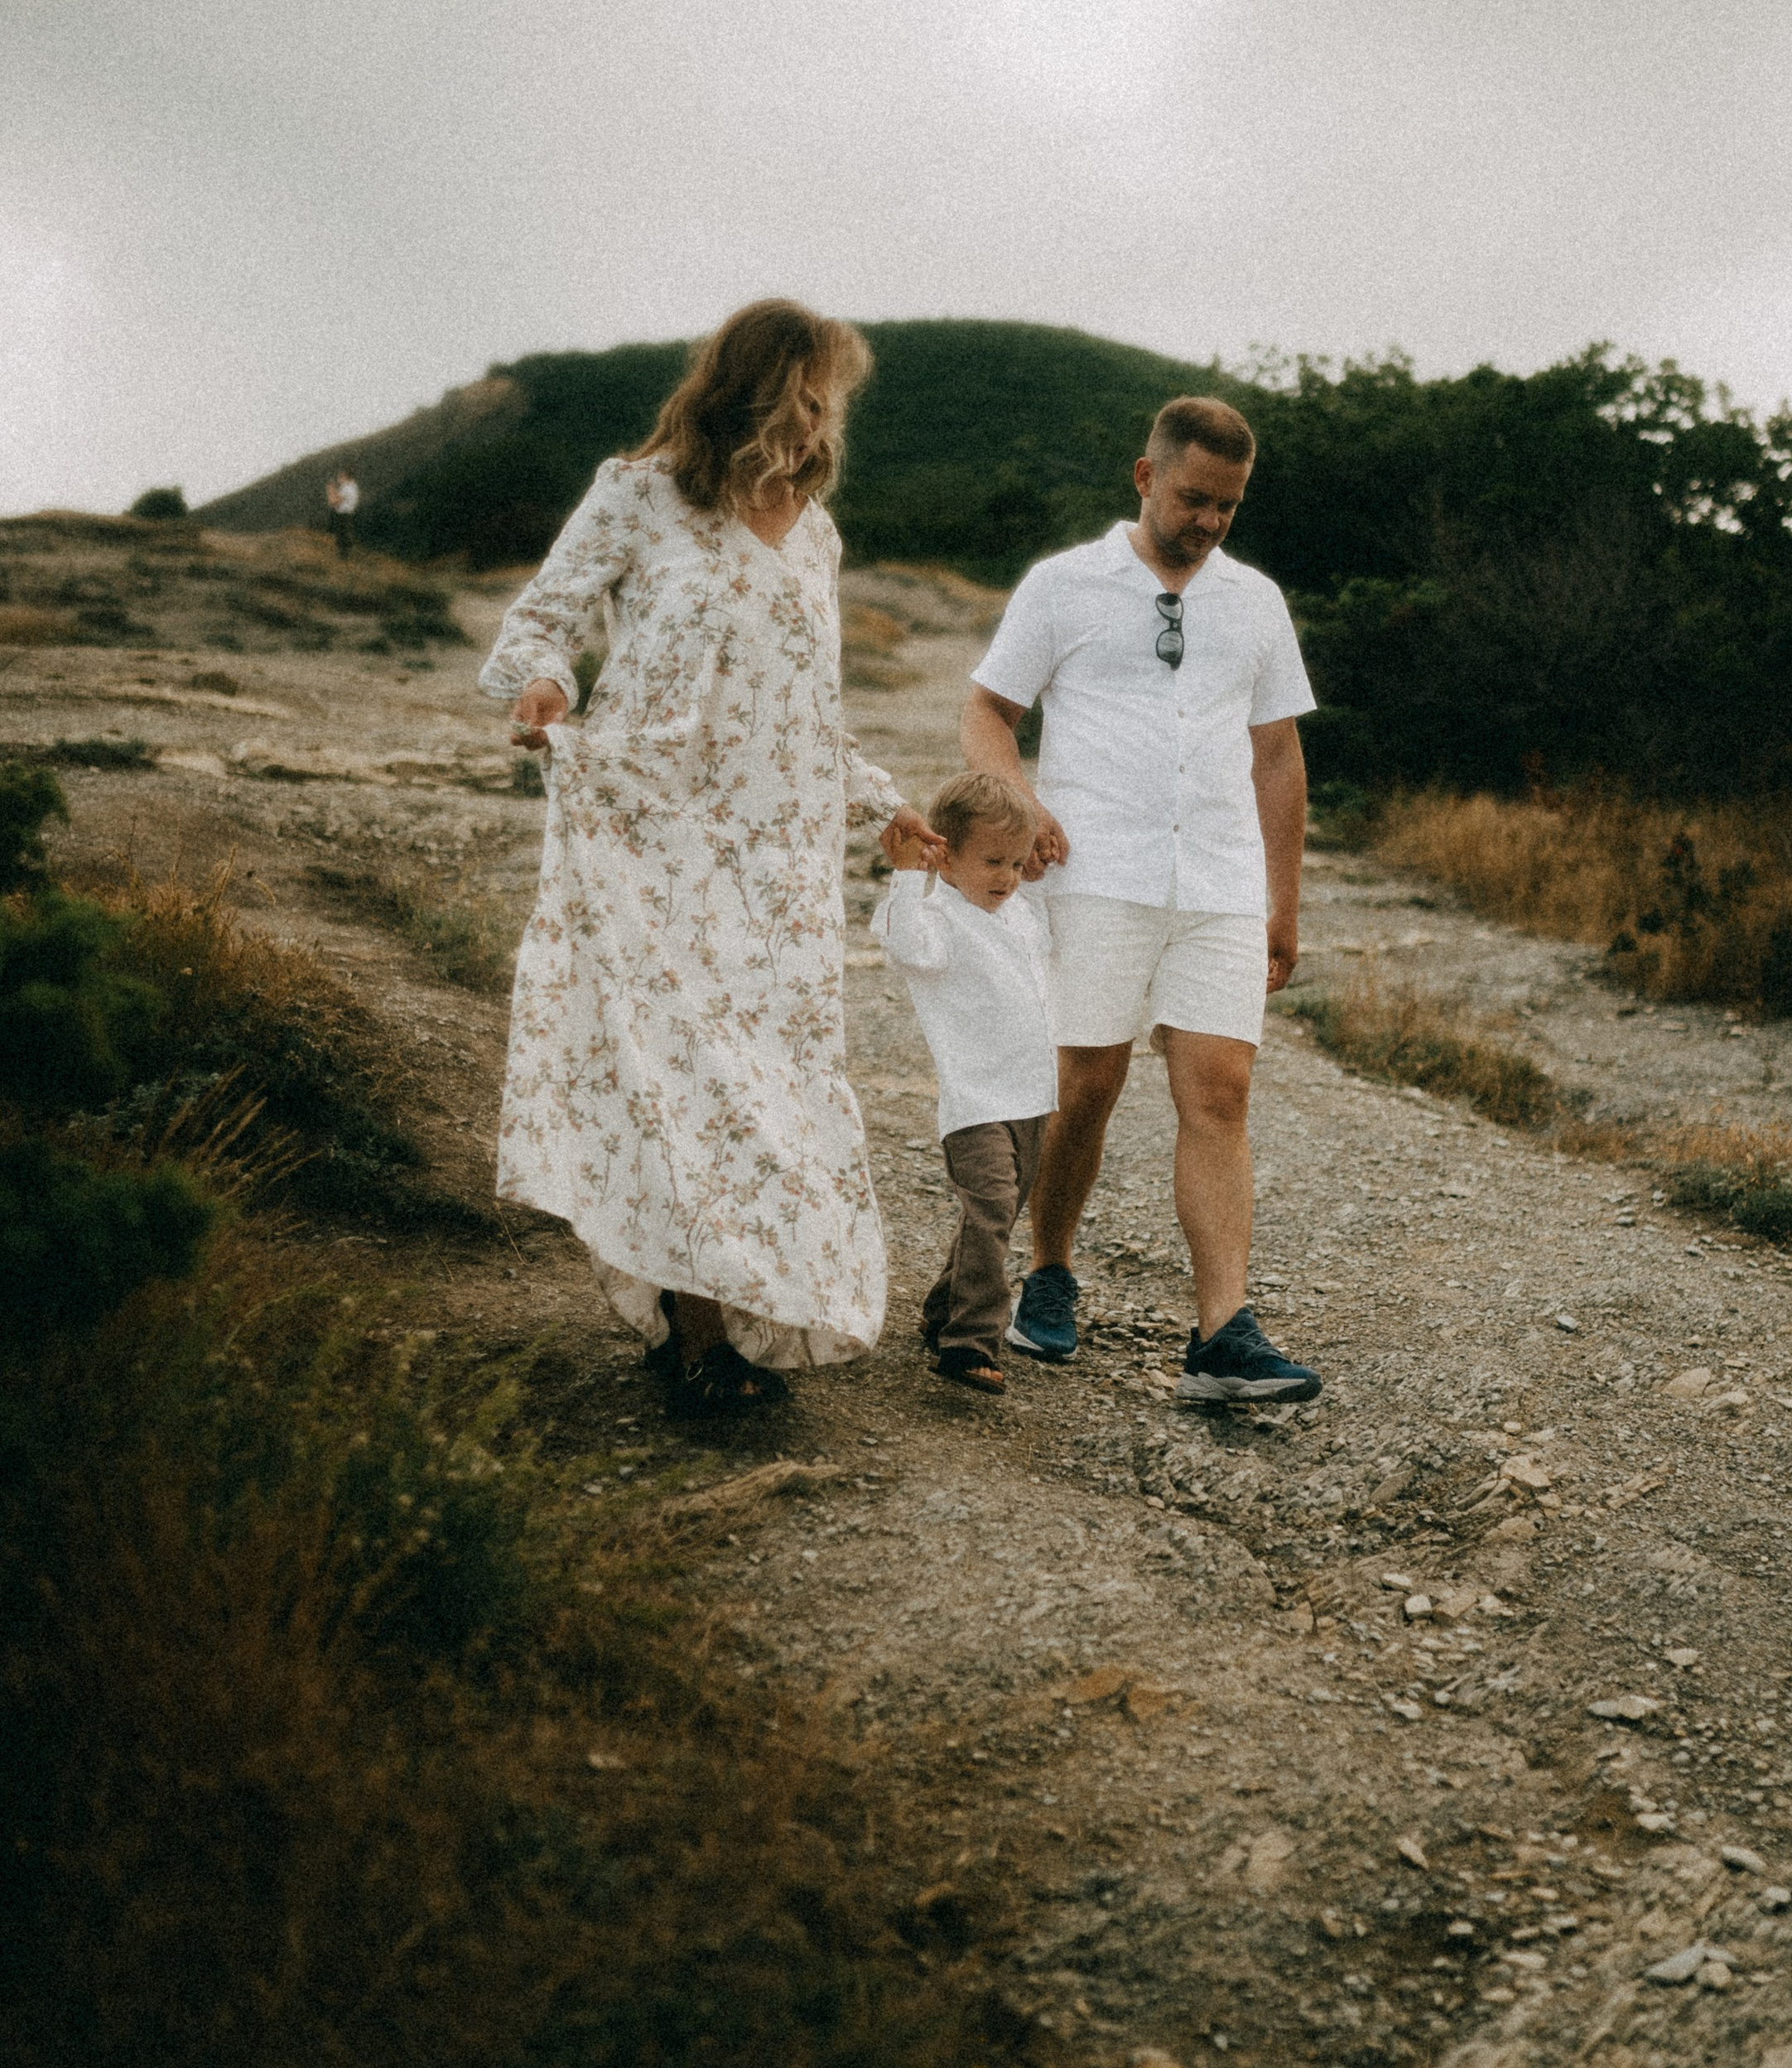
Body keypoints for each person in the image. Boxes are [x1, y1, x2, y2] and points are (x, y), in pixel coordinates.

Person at [479, 300, 942, 1413]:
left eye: (835, 394)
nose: (826, 412)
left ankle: (736, 1303)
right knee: (683, 1077)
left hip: (779, 860)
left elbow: (808, 708)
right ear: (757, 387)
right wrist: (548, 683)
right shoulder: (640, 494)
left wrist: (876, 800)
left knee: (770, 1088)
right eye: (813, 387)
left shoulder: (817, 531)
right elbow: (541, 619)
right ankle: (698, 1332)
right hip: (659, 835)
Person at [961, 393, 1322, 1407]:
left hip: (1216, 878)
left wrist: (1281, 902)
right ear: (1144, 477)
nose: (1207, 521)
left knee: (1220, 1092)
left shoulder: (1254, 601)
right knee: (1087, 1086)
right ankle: (1051, 1272)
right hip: (1095, 874)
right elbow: (988, 708)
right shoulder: (1063, 585)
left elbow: (1277, 752)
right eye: (1192, 498)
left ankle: (1221, 1334)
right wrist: (1018, 804)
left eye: (1228, 506)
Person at [871, 769, 1055, 1397]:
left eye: (1015, 861)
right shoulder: (936, 917)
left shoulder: (1020, 914)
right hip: (976, 1100)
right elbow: (902, 946)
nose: (1006, 875)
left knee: (998, 1212)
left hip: (1033, 1095)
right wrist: (905, 874)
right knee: (993, 1206)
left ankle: (943, 1306)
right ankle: (971, 1339)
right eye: (992, 861)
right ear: (946, 855)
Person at [325, 468, 360, 561]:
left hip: (344, 514)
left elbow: (333, 502)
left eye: (340, 476)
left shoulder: (347, 488)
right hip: (346, 513)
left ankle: (344, 558)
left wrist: (330, 489)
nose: (338, 479)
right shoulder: (351, 486)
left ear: (345, 477)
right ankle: (345, 557)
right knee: (344, 535)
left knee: (343, 536)